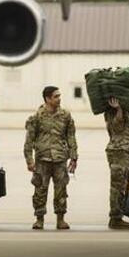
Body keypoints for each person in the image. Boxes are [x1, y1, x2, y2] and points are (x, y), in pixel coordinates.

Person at [24, 86, 78, 230]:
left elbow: (71, 136)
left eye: (59, 96)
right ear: (47, 99)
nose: (59, 99)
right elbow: (29, 140)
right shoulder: (37, 117)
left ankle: (60, 219)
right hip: (42, 159)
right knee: (40, 190)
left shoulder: (65, 115)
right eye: (56, 96)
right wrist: (29, 160)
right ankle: (39, 219)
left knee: (61, 190)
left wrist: (74, 157)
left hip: (60, 159)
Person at [104, 96, 129, 229]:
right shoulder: (112, 113)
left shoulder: (125, 112)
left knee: (122, 186)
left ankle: (118, 216)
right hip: (118, 152)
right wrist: (118, 109)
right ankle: (115, 218)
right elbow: (117, 127)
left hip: (126, 153)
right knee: (117, 187)